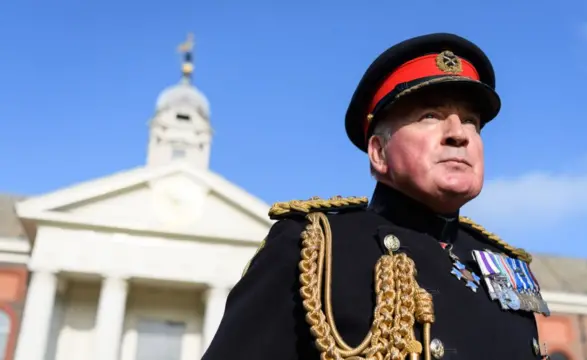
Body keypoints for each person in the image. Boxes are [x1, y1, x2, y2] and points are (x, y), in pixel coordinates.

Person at [202, 33, 550, 360]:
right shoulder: (314, 247)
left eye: (471, 121)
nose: (459, 134)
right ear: (379, 152)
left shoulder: (501, 264)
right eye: (430, 116)